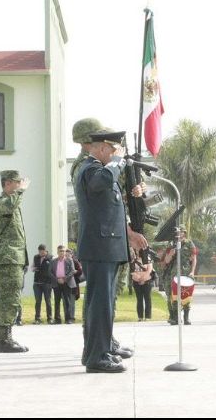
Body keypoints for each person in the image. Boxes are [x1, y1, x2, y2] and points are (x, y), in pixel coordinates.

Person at [76, 130, 147, 373]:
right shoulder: (91, 169)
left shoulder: (103, 172)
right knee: (100, 305)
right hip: (100, 247)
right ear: (103, 148)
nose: (117, 155)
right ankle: (97, 357)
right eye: (114, 150)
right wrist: (118, 162)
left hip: (106, 246)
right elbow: (100, 182)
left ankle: (97, 351)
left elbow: (111, 207)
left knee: (102, 303)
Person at [0, 170, 30, 353]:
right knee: (9, 299)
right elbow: (9, 206)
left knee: (12, 298)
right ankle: (4, 340)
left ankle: (6, 337)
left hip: (13, 259)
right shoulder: (3, 203)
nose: (20, 185)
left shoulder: (12, 203)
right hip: (8, 259)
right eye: (17, 183)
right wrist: (21, 192)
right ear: (7, 184)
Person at [160, 225, 197, 325]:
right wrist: (171, 254)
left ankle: (186, 318)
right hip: (174, 273)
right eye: (177, 233)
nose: (179, 234)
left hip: (186, 272)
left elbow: (194, 258)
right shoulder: (171, 244)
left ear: (184, 233)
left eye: (181, 232)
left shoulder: (189, 243)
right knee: (174, 296)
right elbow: (166, 261)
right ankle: (175, 318)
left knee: (186, 294)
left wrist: (192, 271)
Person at [49, 245, 76, 324]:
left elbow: (72, 271)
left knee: (67, 301)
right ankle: (57, 319)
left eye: (63, 251)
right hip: (56, 283)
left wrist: (64, 279)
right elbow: (49, 272)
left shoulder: (69, 260)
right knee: (57, 301)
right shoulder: (53, 261)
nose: (62, 252)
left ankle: (68, 319)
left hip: (66, 283)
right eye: (61, 251)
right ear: (57, 252)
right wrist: (57, 279)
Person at [130, 248, 153, 321]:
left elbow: (149, 270)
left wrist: (143, 278)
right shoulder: (133, 260)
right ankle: (140, 316)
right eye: (135, 251)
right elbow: (131, 271)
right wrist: (138, 278)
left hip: (147, 281)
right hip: (136, 281)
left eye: (137, 251)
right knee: (139, 299)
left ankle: (148, 316)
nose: (136, 252)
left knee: (147, 299)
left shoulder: (147, 259)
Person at [32, 245, 54, 324]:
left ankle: (50, 318)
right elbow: (32, 267)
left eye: (42, 252)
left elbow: (52, 270)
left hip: (47, 283)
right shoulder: (36, 257)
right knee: (38, 301)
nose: (40, 253)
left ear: (45, 251)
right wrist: (33, 268)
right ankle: (37, 318)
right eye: (39, 252)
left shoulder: (51, 257)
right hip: (37, 283)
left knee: (48, 301)